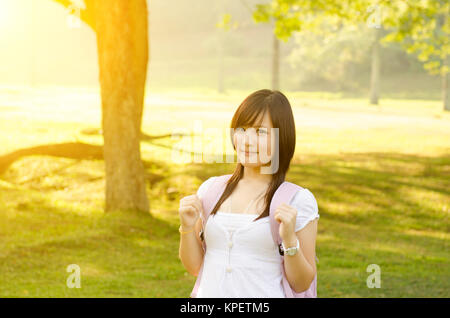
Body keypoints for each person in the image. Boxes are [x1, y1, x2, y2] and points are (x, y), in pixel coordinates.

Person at [178, 89, 320, 297]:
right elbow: (195, 267)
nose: (246, 140)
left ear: (282, 138)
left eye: (260, 132)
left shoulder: (297, 200)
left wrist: (289, 240)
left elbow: (301, 283)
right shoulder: (210, 190)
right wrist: (187, 228)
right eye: (242, 129)